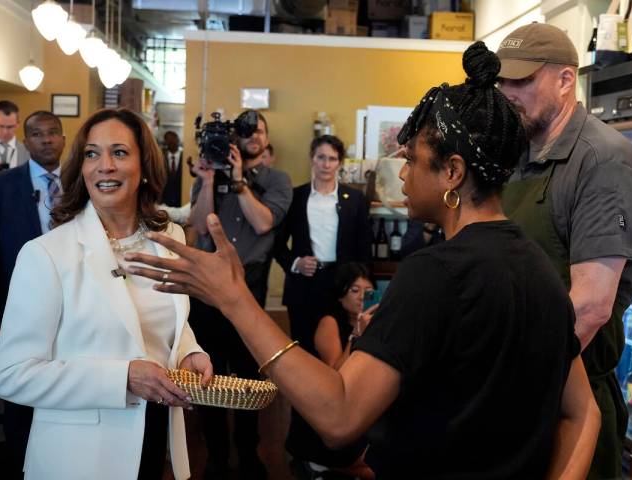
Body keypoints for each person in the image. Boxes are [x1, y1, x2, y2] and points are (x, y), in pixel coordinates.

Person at [126, 42, 601, 479]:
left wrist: (234, 299)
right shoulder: (541, 267)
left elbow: (338, 416)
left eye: (412, 159)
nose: (403, 171)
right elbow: (583, 414)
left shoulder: (435, 273)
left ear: (453, 172)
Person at [0, 108, 212, 480]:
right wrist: (122, 378)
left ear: (144, 166)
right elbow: (12, 375)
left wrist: (189, 350)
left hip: (155, 436)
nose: (104, 165)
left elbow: (166, 318)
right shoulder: (46, 253)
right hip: (79, 457)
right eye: (92, 154)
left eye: (120, 153)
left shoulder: (169, 239)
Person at [496, 23, 632, 479]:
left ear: (566, 80)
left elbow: (589, 308)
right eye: (502, 80)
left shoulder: (603, 160)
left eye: (522, 81)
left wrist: (509, 378)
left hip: (568, 398)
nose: (507, 92)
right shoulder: (519, 152)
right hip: (519, 393)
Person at [187, 110, 292, 479]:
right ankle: (216, 455)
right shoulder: (208, 174)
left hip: (250, 288)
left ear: (265, 137)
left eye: (258, 130)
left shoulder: (277, 179)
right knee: (209, 376)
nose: (252, 136)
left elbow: (264, 222)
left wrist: (239, 181)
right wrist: (209, 181)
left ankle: (249, 454)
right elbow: (199, 225)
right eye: (244, 131)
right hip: (208, 289)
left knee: (248, 375)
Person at [0, 110, 65, 477]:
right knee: (22, 399)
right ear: (25, 141)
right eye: (37, 134)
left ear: (64, 138)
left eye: (53, 133)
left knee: (65, 390)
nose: (46, 140)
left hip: (74, 310)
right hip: (16, 311)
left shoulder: (83, 182)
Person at [274, 135, 372, 352]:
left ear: (340, 162)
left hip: (342, 284)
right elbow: (276, 244)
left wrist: (360, 285)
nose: (326, 164)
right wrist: (295, 263)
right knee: (302, 347)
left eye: (332, 158)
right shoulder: (295, 197)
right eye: (321, 157)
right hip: (304, 284)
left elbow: (364, 246)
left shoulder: (355, 199)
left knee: (343, 345)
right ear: (312, 159)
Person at [286, 263, 377, 480]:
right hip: (329, 408)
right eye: (354, 290)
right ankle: (318, 464)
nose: (362, 296)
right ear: (340, 295)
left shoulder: (376, 323)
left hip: (359, 405)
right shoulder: (330, 322)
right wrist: (356, 335)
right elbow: (336, 373)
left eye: (368, 291)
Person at [0, 101, 30, 179]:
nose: (5, 131)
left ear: (18, 124)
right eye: (0, 126)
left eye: (10, 127)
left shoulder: (29, 151)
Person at [161, 130, 183, 207]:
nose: (171, 141)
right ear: (165, 142)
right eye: (168, 139)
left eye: (173, 139)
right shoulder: (160, 157)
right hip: (164, 201)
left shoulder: (185, 157)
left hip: (182, 200)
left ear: (178, 140)